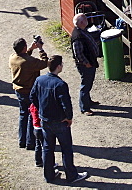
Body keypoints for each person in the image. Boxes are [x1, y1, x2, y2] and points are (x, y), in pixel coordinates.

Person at [30, 55, 89, 184]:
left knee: (47, 148)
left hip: (45, 121)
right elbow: (66, 104)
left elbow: (32, 97)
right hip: (60, 122)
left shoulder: (39, 80)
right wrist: (69, 118)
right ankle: (71, 175)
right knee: (66, 148)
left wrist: (41, 110)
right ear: (58, 67)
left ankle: (49, 175)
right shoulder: (60, 84)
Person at [10, 37, 49, 151]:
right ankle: (30, 142)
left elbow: (23, 57)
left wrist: (31, 49)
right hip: (30, 91)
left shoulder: (12, 58)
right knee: (32, 115)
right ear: (23, 48)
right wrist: (40, 49)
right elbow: (44, 63)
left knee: (23, 115)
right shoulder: (30, 62)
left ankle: (22, 140)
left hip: (19, 90)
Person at [70, 13, 99, 116]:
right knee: (85, 85)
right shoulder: (77, 36)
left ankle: (88, 101)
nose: (87, 20)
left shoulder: (81, 31)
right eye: (85, 19)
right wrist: (86, 63)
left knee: (88, 83)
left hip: (90, 62)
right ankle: (84, 108)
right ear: (81, 22)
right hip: (85, 65)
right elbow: (78, 53)